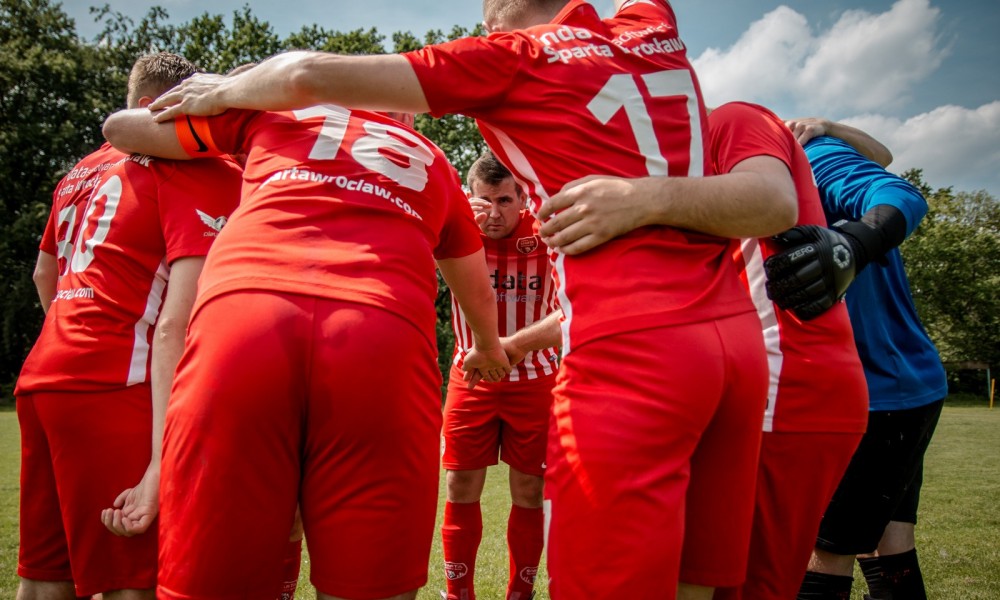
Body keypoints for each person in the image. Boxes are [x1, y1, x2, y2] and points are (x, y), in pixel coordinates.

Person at [143, 1, 802, 597]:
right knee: (694, 584)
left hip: (631, 346)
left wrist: (222, 89)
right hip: (734, 345)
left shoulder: (511, 57)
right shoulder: (649, 22)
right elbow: (777, 204)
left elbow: (305, 74)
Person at [103, 91, 511, 597]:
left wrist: (230, 94)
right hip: (379, 330)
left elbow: (121, 128)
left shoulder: (277, 115)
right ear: (405, 118)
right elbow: (476, 292)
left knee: (214, 578)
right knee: (369, 587)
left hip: (245, 318)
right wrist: (488, 348)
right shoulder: (433, 162)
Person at [516, 102, 870, 599]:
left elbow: (782, 198)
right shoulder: (688, 187)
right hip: (760, 384)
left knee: (750, 589)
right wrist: (513, 345)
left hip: (786, 385)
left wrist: (638, 197)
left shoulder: (730, 121)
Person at [14, 52, 243, 600]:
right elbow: (173, 325)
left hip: (43, 376)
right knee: (131, 580)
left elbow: (45, 274)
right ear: (152, 107)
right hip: (115, 383)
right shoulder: (191, 166)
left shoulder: (80, 170)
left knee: (45, 577)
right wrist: (161, 463)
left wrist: (76, 334)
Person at [763, 120, 948, 600]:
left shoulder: (802, 156)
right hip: (905, 386)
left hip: (874, 393)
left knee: (823, 553)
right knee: (889, 546)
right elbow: (882, 155)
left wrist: (855, 243)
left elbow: (898, 193)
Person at [441, 152, 558, 600]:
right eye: (483, 201)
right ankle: (458, 594)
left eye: (505, 201)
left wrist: (513, 345)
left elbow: (576, 307)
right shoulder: (451, 227)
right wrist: (454, 222)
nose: (494, 213)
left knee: (530, 488)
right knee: (460, 484)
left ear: (523, 199)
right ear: (468, 197)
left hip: (536, 377)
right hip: (471, 378)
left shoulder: (547, 230)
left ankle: (519, 594)